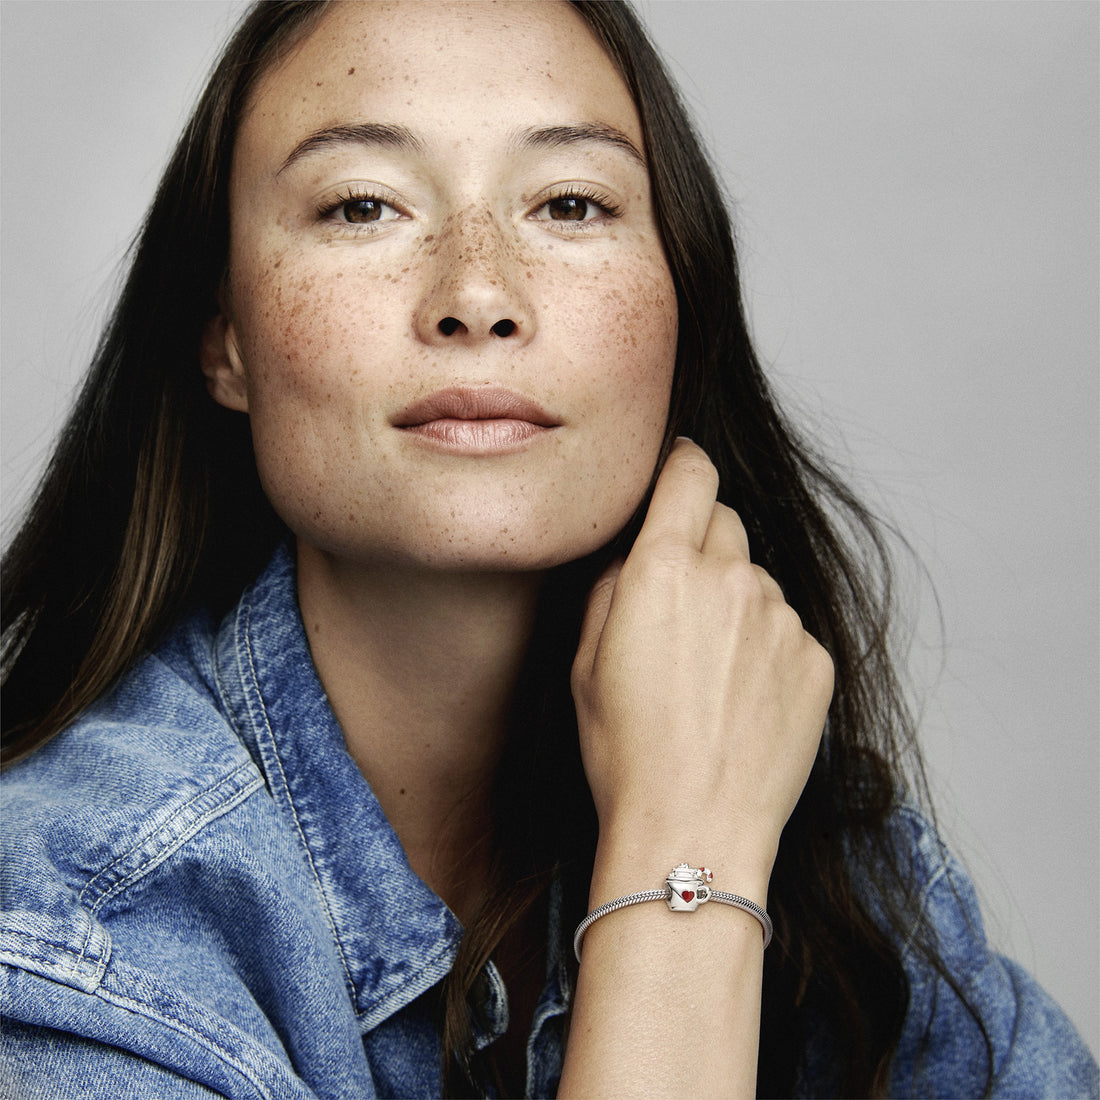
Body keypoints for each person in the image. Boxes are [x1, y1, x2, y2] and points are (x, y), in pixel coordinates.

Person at [1, 1, 1095, 1097]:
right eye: (362, 206)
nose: (476, 294)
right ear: (224, 339)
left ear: (682, 304)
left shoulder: (772, 792)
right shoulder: (66, 928)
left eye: (569, 203)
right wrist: (687, 873)